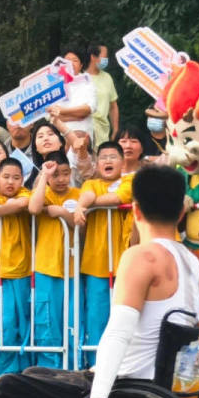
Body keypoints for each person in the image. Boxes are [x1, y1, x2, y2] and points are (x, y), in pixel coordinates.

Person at [0, 165, 199, 398]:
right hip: (165, 384)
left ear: (134, 209)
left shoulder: (141, 257)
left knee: (9, 388)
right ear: (181, 211)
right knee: (36, 373)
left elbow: (118, 332)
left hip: (130, 385)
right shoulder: (191, 260)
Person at [74, 141, 134, 361]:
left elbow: (120, 197)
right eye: (103, 157)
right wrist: (82, 204)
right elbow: (87, 195)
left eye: (113, 156)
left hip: (125, 260)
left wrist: (87, 207)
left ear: (122, 161)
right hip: (96, 260)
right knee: (96, 315)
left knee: (124, 315)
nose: (108, 161)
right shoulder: (91, 184)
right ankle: (95, 361)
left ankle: (124, 362)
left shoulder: (130, 180)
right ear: (97, 163)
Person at [0, 158, 33, 376]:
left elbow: (22, 204)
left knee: (24, 322)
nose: (11, 182)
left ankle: (26, 374)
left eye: (16, 177)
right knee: (3, 322)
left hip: (22, 269)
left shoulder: (25, 194)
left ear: (23, 180)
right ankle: (6, 375)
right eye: (6, 177)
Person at [28, 151, 80, 368]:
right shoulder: (45, 193)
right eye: (55, 175)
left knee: (72, 319)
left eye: (65, 173)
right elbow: (33, 208)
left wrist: (60, 212)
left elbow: (81, 224)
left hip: (72, 267)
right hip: (46, 266)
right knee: (47, 318)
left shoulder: (78, 193)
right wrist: (43, 176)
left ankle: (72, 366)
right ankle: (49, 367)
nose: (60, 179)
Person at [47, 46, 96, 147]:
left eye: (75, 60)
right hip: (58, 140)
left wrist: (62, 112)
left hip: (82, 138)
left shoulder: (87, 83)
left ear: (81, 65)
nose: (71, 63)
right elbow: (49, 115)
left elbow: (88, 109)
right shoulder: (53, 84)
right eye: (67, 60)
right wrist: (77, 115)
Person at [86, 43, 119, 145]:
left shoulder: (107, 77)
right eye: (104, 57)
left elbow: (113, 106)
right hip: (85, 127)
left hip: (103, 131)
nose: (106, 60)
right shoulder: (81, 78)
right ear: (93, 57)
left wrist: (115, 130)